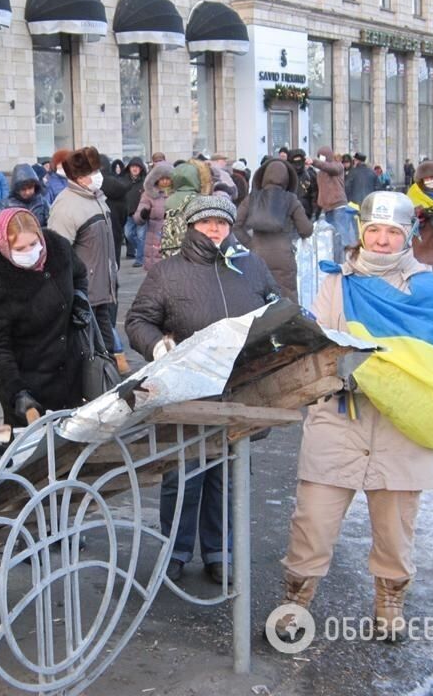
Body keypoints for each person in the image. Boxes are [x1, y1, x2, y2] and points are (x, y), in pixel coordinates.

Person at [276, 191, 433, 642]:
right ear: (362, 232)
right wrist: (349, 369)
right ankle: (295, 603)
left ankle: (389, 604)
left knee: (395, 531)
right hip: (338, 418)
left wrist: (390, 377)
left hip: (402, 429)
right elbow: (322, 344)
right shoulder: (336, 283)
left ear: (407, 237)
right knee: (313, 522)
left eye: (392, 232)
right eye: (374, 231)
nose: (382, 240)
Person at [126, 195, 280, 584]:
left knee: (227, 474)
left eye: (222, 222)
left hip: (239, 389)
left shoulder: (251, 266)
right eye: (206, 222)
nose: (215, 229)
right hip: (188, 389)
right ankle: (174, 551)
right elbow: (138, 320)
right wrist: (159, 347)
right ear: (191, 225)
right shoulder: (168, 272)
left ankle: (219, 551)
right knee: (183, 473)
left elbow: (277, 308)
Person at [0, 208, 88, 426]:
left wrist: (78, 299)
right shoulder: (0, 283)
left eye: (33, 244)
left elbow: (80, 274)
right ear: (4, 247)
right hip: (31, 386)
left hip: (70, 371)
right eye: (19, 248)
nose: (30, 252)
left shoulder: (58, 247)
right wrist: (17, 392)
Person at [48, 146, 128, 374]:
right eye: (91, 173)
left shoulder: (97, 199)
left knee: (106, 351)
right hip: (84, 295)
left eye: (96, 171)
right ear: (79, 178)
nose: (97, 177)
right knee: (90, 356)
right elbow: (59, 254)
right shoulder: (67, 206)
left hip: (104, 289)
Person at [233, 158, 314, 302]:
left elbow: (236, 226)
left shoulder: (252, 198)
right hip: (284, 257)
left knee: (258, 296)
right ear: (287, 178)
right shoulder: (291, 199)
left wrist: (250, 244)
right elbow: (306, 230)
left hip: (257, 254)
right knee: (287, 299)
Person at [310, 145, 357, 253]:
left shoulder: (337, 166)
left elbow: (328, 167)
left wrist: (314, 161)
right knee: (332, 235)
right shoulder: (320, 173)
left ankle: (348, 256)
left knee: (342, 234)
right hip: (327, 209)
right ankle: (337, 256)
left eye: (322, 157)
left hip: (338, 206)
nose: (321, 159)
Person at [132, 161, 174, 271]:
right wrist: (143, 215)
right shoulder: (149, 195)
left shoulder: (177, 194)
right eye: (161, 178)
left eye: (168, 178)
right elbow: (137, 218)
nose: (165, 181)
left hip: (174, 237)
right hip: (155, 239)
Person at [123, 157, 148, 265]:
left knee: (141, 236)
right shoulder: (124, 181)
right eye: (133, 167)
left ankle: (140, 259)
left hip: (141, 214)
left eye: (137, 167)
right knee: (128, 234)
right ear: (129, 168)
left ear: (141, 168)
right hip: (128, 213)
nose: (135, 169)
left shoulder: (145, 182)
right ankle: (143, 250)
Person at [288, 148, 318, 220]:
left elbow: (315, 195)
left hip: (306, 213)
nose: (297, 165)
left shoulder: (310, 175)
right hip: (289, 214)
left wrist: (314, 213)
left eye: (299, 161)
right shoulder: (286, 176)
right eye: (295, 161)